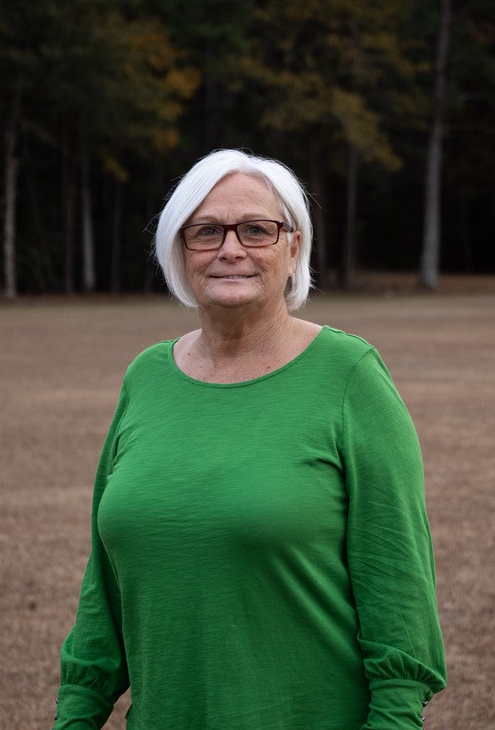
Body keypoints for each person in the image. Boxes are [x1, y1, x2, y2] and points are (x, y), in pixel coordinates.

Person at [52, 149, 446, 730]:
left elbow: (398, 588)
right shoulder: (146, 377)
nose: (230, 249)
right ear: (179, 249)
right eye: (206, 231)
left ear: (293, 248)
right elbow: (105, 586)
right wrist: (76, 714)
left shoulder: (350, 375)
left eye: (256, 230)